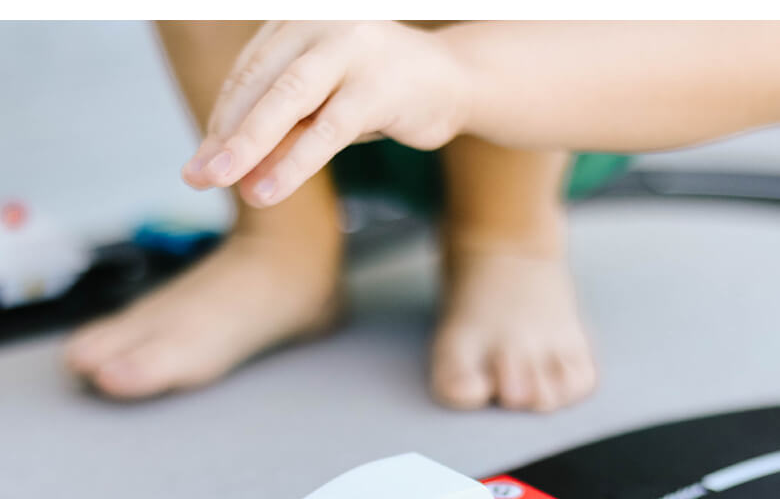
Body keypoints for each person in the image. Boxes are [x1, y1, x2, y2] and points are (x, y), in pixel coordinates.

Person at [65, 21, 780, 409]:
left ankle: (504, 237)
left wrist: (456, 72)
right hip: (320, 83)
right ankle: (283, 248)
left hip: (567, 93)